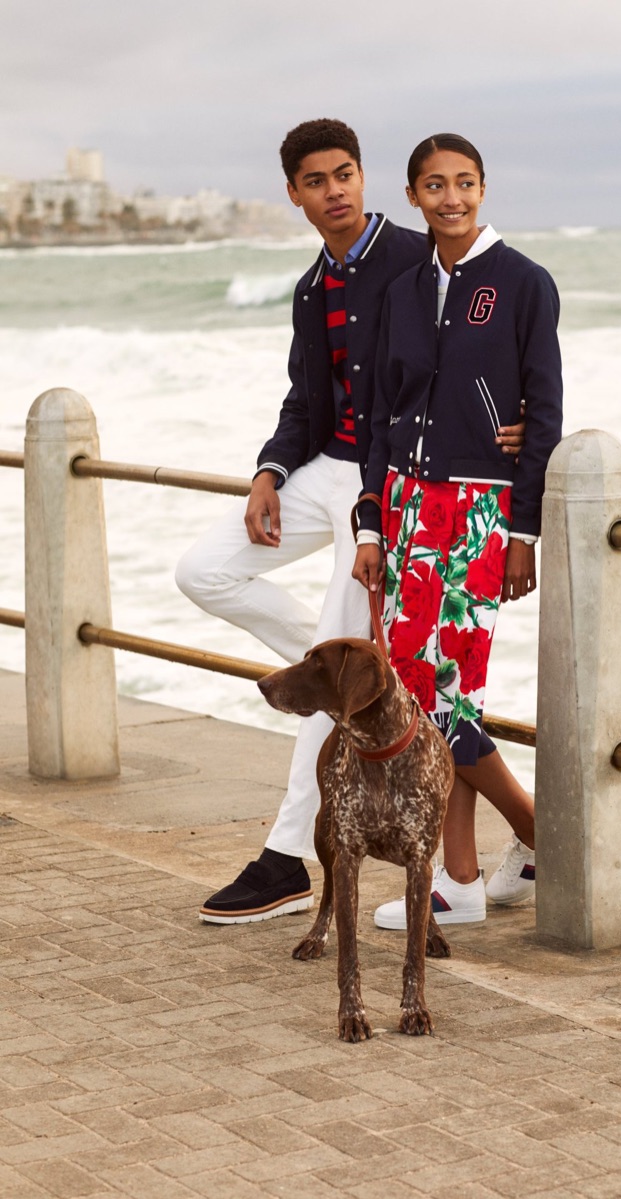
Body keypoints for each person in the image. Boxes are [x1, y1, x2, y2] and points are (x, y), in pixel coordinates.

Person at [175, 119, 525, 925]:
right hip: (325, 468)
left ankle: (286, 857)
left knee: (348, 672)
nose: (334, 191)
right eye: (316, 181)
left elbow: (481, 345)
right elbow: (305, 398)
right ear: (294, 194)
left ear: (364, 178)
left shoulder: (414, 257)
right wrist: (269, 472)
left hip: (388, 479)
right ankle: (348, 665)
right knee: (204, 571)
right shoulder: (312, 288)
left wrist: (510, 423)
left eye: (344, 174)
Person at [352, 132, 563, 929]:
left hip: (479, 511)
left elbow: (545, 412)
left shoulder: (523, 283)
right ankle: (478, 868)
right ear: (412, 196)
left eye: (465, 182)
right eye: (435, 185)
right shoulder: (403, 290)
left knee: (451, 694)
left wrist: (523, 531)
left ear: (483, 188)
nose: (452, 198)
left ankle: (507, 852)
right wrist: (371, 524)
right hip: (406, 506)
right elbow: (381, 414)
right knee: (415, 693)